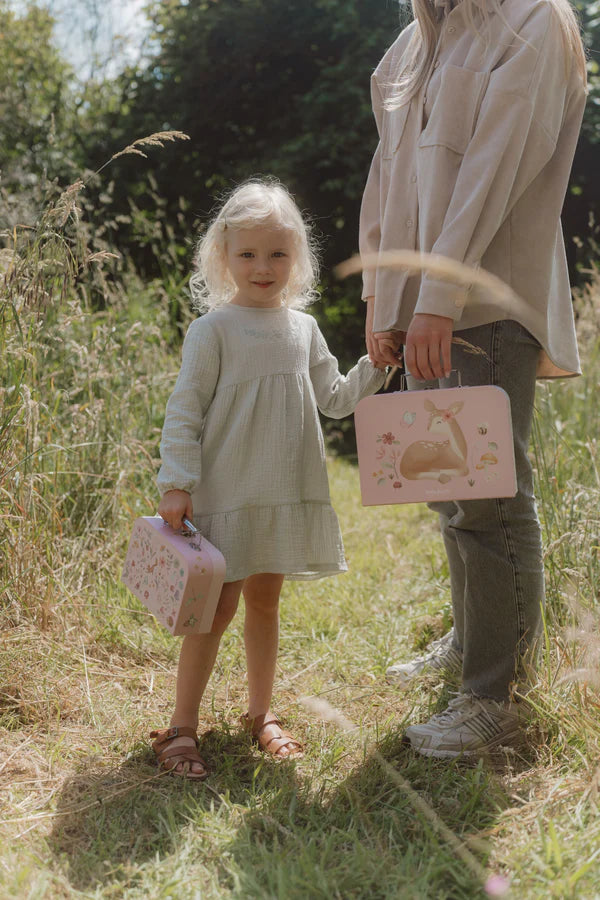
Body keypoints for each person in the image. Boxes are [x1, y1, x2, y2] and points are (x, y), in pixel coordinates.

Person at [360, 0, 587, 757]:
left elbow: (495, 169)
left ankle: (497, 698)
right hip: (425, 309)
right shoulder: (406, 47)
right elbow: (387, 181)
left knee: (487, 498)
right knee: (452, 495)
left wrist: (438, 299)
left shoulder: (534, 20)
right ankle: (469, 649)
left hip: (483, 301)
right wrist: (382, 302)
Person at [152, 179, 386, 779]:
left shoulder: (303, 327)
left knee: (265, 602)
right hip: (227, 492)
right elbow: (185, 409)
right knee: (216, 607)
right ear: (223, 257)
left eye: (277, 254)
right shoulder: (213, 330)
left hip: (281, 491)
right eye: (249, 254)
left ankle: (260, 714)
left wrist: (377, 365)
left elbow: (334, 398)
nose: (263, 267)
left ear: (297, 259)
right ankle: (182, 726)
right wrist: (176, 481)